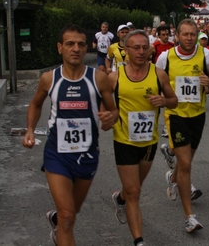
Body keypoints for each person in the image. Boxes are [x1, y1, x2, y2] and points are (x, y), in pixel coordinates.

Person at [22, 24, 118, 246]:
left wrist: (111, 118)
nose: (75, 48)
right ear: (60, 48)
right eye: (70, 44)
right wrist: (29, 130)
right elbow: (35, 105)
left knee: (71, 212)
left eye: (81, 44)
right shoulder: (49, 78)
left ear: (87, 49)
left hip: (88, 155)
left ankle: (57, 222)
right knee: (68, 216)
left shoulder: (99, 79)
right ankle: (61, 224)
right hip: (57, 154)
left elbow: (112, 110)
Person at [109, 30, 177, 246]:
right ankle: (139, 241)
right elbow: (105, 108)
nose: (140, 51)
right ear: (126, 50)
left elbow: (174, 100)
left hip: (149, 141)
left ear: (149, 49)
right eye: (135, 47)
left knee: (133, 187)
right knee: (135, 191)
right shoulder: (114, 77)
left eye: (144, 47)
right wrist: (106, 118)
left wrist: (163, 101)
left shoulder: (159, 74)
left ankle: (120, 198)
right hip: (124, 141)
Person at [156, 19, 209, 232]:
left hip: (198, 114)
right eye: (185, 34)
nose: (189, 38)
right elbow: (156, 83)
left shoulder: (206, 54)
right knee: (186, 164)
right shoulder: (165, 57)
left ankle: (172, 177)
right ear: (178, 36)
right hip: (175, 114)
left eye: (192, 34)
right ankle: (189, 216)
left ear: (197, 35)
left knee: (186, 161)